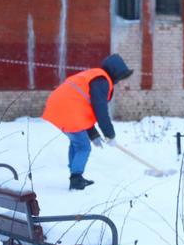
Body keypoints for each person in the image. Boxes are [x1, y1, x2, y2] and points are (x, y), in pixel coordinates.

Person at [42, 53, 133, 190]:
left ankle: (75, 173)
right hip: (68, 110)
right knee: (83, 147)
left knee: (76, 142)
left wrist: (94, 134)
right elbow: (100, 110)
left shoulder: (94, 75)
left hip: (59, 107)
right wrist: (110, 134)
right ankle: (76, 178)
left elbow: (84, 108)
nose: (119, 81)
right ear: (115, 72)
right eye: (120, 77)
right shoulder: (102, 81)